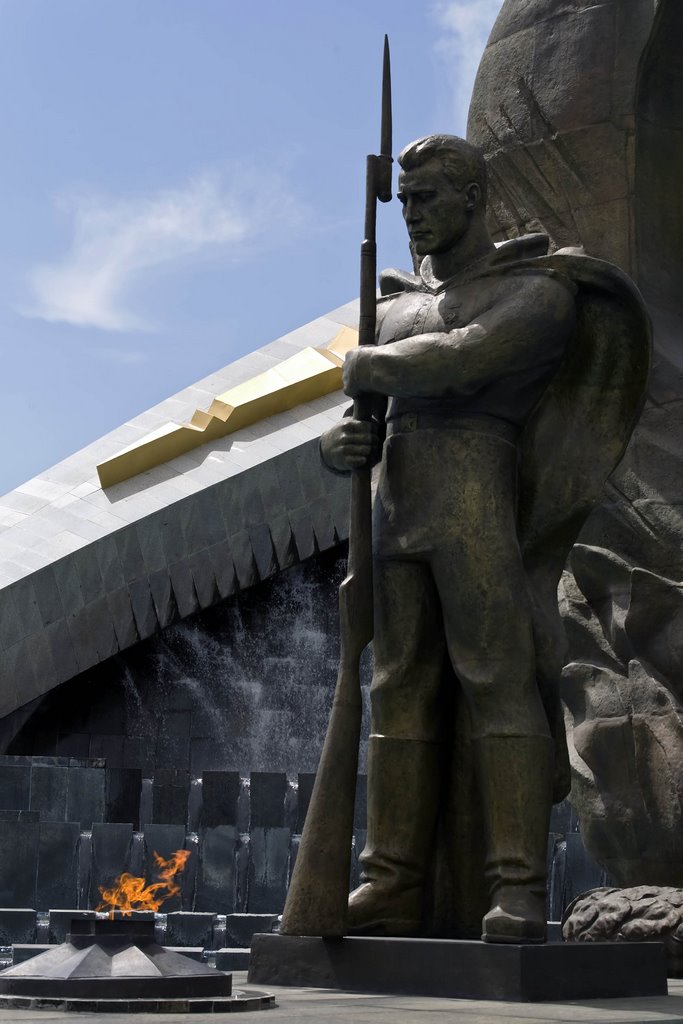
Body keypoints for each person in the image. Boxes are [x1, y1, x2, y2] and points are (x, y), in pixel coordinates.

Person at [319, 134, 649, 943]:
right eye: (403, 204)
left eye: (428, 197)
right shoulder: (391, 306)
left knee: (495, 680)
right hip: (397, 509)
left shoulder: (539, 290)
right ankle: (390, 880)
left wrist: (368, 365)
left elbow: (464, 361)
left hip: (477, 498)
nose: (414, 216)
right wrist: (336, 446)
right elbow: (355, 419)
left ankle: (518, 888)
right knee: (397, 689)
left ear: (473, 195)